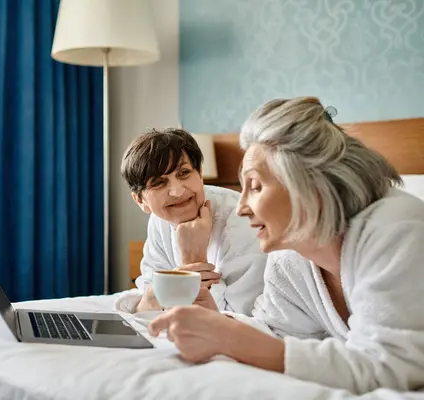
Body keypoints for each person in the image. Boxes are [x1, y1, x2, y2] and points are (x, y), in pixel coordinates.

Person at [147, 97, 424, 394]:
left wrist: (233, 338)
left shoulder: (396, 229)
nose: (241, 208)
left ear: (308, 184)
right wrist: (214, 320)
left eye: (254, 187)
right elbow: (276, 335)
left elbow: (394, 367)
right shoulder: (290, 259)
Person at [115, 128, 267, 315]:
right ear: (141, 201)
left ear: (200, 174)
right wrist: (182, 276)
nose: (177, 191)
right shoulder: (159, 219)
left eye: (184, 173)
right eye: (159, 183)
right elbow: (147, 302)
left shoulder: (243, 221)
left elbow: (236, 320)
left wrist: (191, 263)